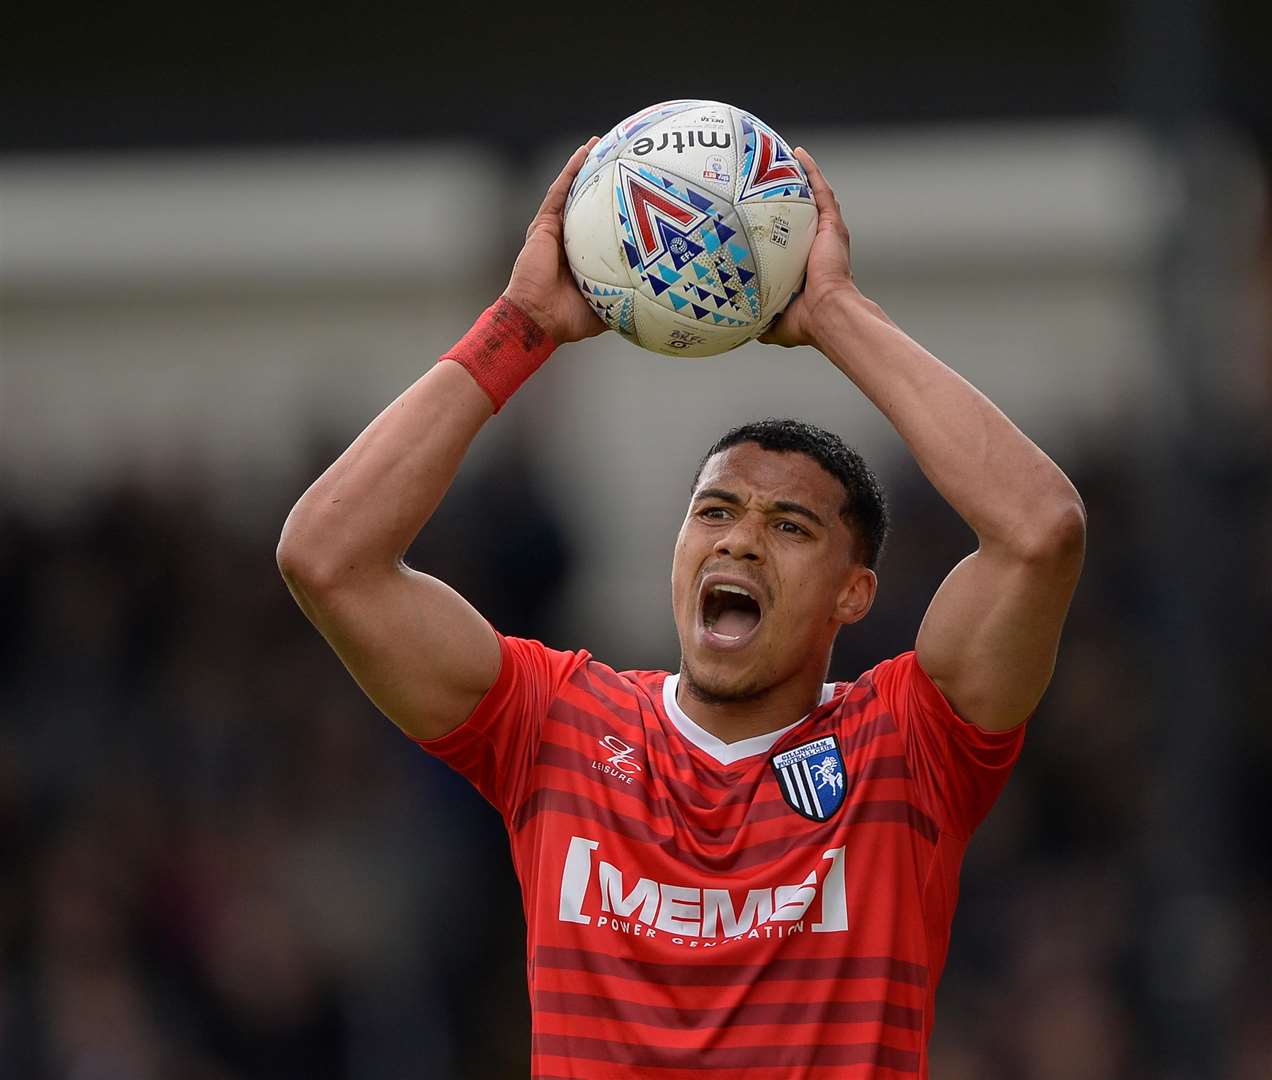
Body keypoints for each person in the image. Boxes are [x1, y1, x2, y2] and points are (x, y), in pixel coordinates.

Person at [277, 137, 1086, 1079]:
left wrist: (834, 312)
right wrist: (521, 325)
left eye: (789, 526)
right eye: (714, 512)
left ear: (853, 593)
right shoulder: (557, 723)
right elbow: (325, 556)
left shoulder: (907, 749)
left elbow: (1041, 530)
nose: (738, 539)